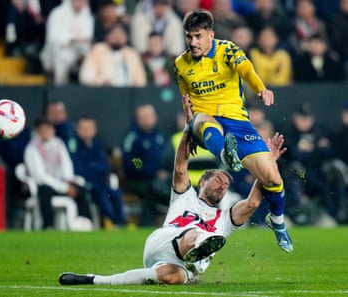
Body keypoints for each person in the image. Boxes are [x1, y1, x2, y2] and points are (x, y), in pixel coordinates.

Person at [58, 96, 287, 285]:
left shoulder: (224, 217)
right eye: (217, 179)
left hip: (179, 265)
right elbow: (179, 168)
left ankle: (92, 280)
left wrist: (269, 164)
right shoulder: (185, 197)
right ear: (203, 183)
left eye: (226, 184)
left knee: (171, 278)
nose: (222, 185)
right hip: (165, 241)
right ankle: (202, 243)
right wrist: (190, 127)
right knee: (194, 234)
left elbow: (253, 203)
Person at [173, 10, 292, 252]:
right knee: (204, 120)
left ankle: (277, 222)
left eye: (197, 36)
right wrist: (190, 128)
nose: (193, 42)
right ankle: (226, 155)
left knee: (272, 178)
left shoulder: (227, 49)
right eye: (189, 37)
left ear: (210, 35)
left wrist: (261, 88)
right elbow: (187, 99)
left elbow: (246, 69)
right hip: (205, 123)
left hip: (236, 123)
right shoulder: (180, 64)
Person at [24, 116, 92, 229]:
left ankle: (84, 223)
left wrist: (68, 180)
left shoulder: (58, 143)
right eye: (43, 130)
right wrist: (64, 188)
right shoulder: (32, 148)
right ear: (37, 131)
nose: (46, 132)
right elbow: (39, 176)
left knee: (81, 189)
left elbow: (66, 163)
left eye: (49, 129)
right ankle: (48, 226)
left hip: (61, 183)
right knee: (45, 191)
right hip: (45, 186)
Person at [68, 116, 127, 227]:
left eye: (89, 128)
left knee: (115, 193)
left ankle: (122, 220)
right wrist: (92, 168)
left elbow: (105, 166)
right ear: (77, 129)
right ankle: (113, 221)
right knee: (102, 195)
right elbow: (77, 167)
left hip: (100, 182)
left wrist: (91, 166)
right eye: (83, 128)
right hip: (84, 184)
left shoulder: (97, 144)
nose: (86, 131)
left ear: (94, 130)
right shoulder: (73, 144)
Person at [121, 104, 168, 226]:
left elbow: (166, 156)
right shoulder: (133, 137)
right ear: (137, 119)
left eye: (149, 116)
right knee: (151, 192)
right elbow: (132, 160)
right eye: (143, 117)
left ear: (155, 117)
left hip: (161, 178)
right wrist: (149, 171)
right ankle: (145, 224)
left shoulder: (160, 135)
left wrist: (164, 170)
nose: (146, 119)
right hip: (138, 180)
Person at [39, 0, 93, 85]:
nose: (80, 3)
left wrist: (75, 41)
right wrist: (71, 40)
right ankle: (60, 86)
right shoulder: (57, 13)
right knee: (63, 55)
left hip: (79, 50)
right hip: (56, 52)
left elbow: (88, 37)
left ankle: (87, 86)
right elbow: (53, 38)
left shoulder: (87, 15)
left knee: (92, 55)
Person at [79, 23, 147, 87]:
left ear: (126, 37)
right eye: (114, 33)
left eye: (121, 33)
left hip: (128, 93)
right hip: (103, 91)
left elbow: (141, 80)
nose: (117, 36)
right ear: (107, 36)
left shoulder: (132, 54)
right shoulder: (98, 50)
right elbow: (86, 77)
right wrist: (102, 81)